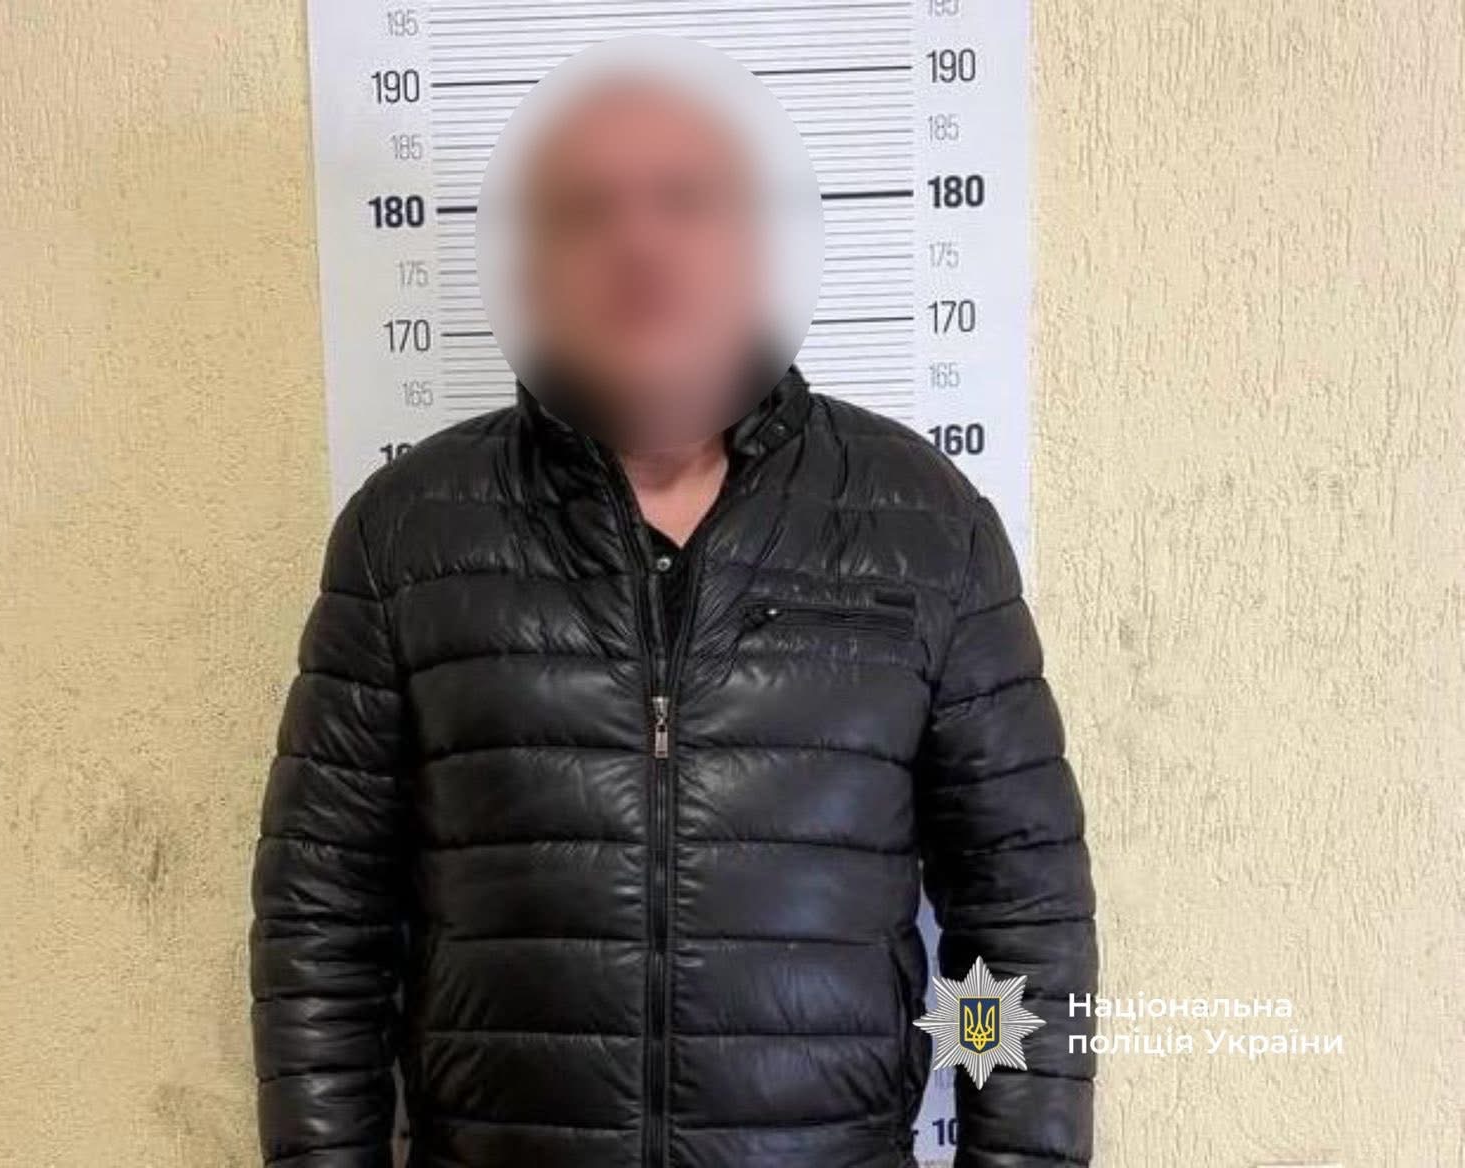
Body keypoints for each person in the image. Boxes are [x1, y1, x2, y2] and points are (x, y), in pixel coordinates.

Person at [249, 49, 1097, 1168]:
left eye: (686, 200)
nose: (638, 241)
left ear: (756, 247)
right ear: (530, 269)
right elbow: (323, 934)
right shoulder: (408, 535)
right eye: (584, 211)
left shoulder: (924, 526)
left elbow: (1018, 928)